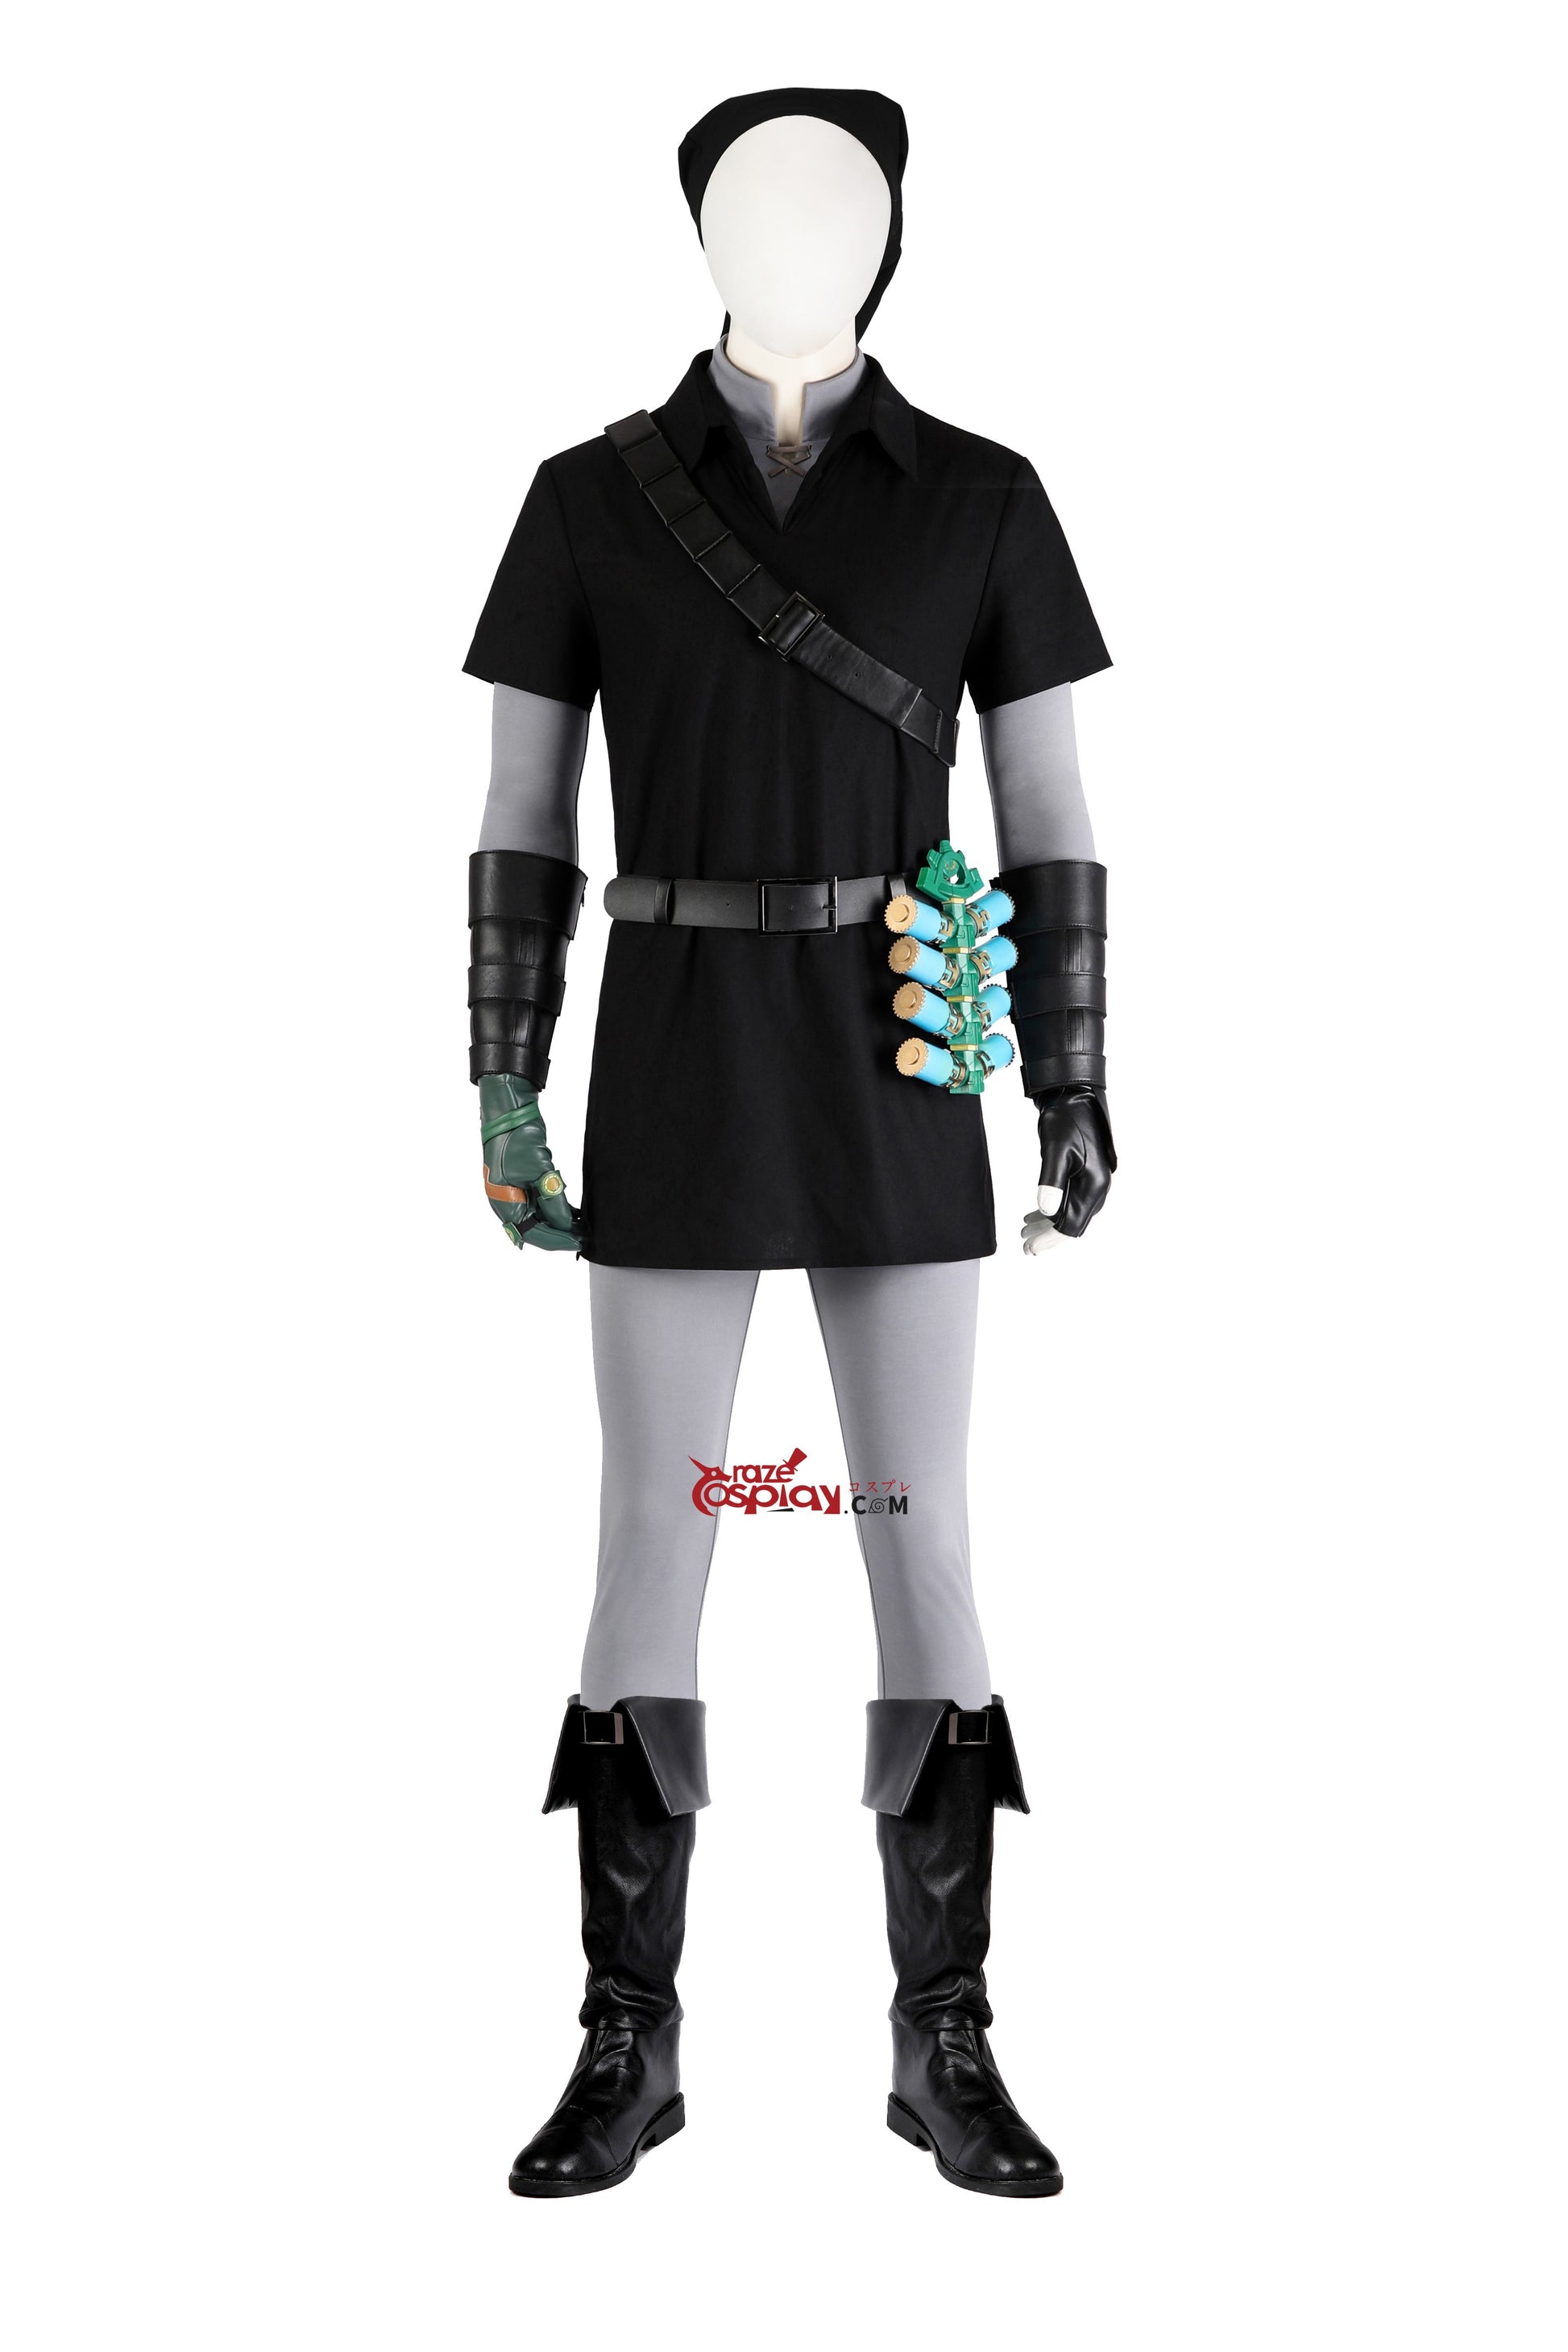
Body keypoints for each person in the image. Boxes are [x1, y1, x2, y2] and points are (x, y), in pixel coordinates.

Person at [463, 87, 1116, 2199]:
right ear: (697, 232)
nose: (796, 231)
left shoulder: (986, 498)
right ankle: (627, 2042)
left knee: (917, 1535)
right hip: (667, 1046)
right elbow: (519, 816)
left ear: (891, 235)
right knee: (653, 1538)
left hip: (903, 1051)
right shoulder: (586, 499)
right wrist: (500, 1073)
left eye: (837, 200)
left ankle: (945, 2041)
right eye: (754, 199)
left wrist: (1072, 1073)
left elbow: (1051, 818)